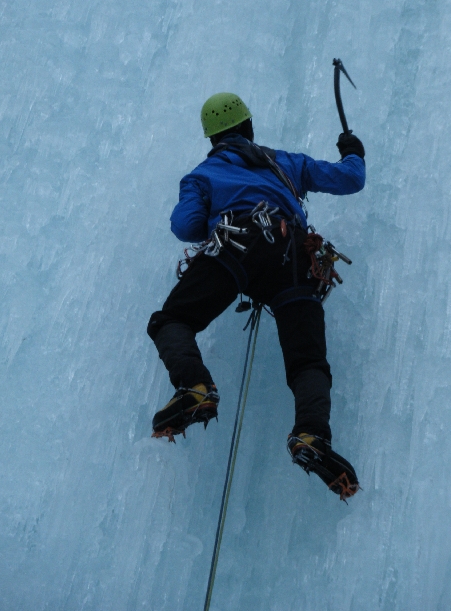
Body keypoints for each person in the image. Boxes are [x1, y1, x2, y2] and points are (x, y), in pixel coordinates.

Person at [147, 92, 365, 500]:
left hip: (238, 245)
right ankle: (312, 434)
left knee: (171, 321)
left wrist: (218, 210)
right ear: (248, 126)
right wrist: (352, 150)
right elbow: (351, 178)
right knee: (307, 362)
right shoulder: (285, 162)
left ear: (212, 139)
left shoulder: (201, 175)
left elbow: (185, 225)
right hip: (296, 256)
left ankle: (194, 386)